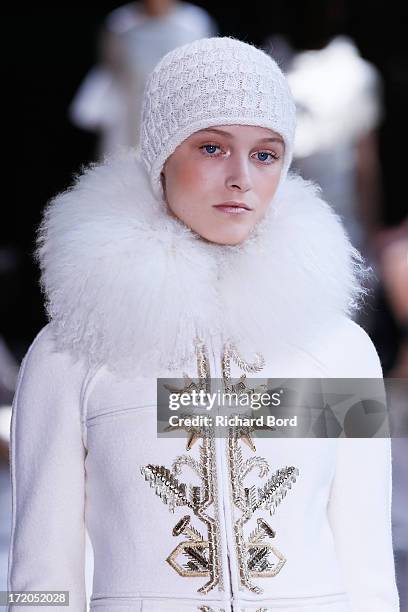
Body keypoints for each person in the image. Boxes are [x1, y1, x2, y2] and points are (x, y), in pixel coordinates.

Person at [7, 37, 400, 611]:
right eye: (213, 147)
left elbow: (368, 567)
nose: (242, 177)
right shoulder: (73, 351)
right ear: (162, 155)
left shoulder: (338, 349)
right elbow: (42, 578)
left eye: (265, 154)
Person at [69, 0, 217, 157]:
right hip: (130, 111)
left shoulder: (194, 21)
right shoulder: (120, 23)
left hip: (178, 107)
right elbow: (109, 66)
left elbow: (205, 67)